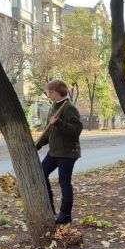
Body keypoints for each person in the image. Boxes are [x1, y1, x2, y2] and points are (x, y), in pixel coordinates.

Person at [35, 79, 83, 225]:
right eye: (48, 92)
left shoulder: (68, 108)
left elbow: (76, 130)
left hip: (67, 153)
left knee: (64, 182)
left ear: (58, 91)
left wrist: (59, 123)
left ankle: (65, 215)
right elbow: (49, 133)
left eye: (51, 92)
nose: (49, 94)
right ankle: (49, 209)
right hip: (54, 152)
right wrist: (36, 146)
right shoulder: (53, 107)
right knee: (41, 175)